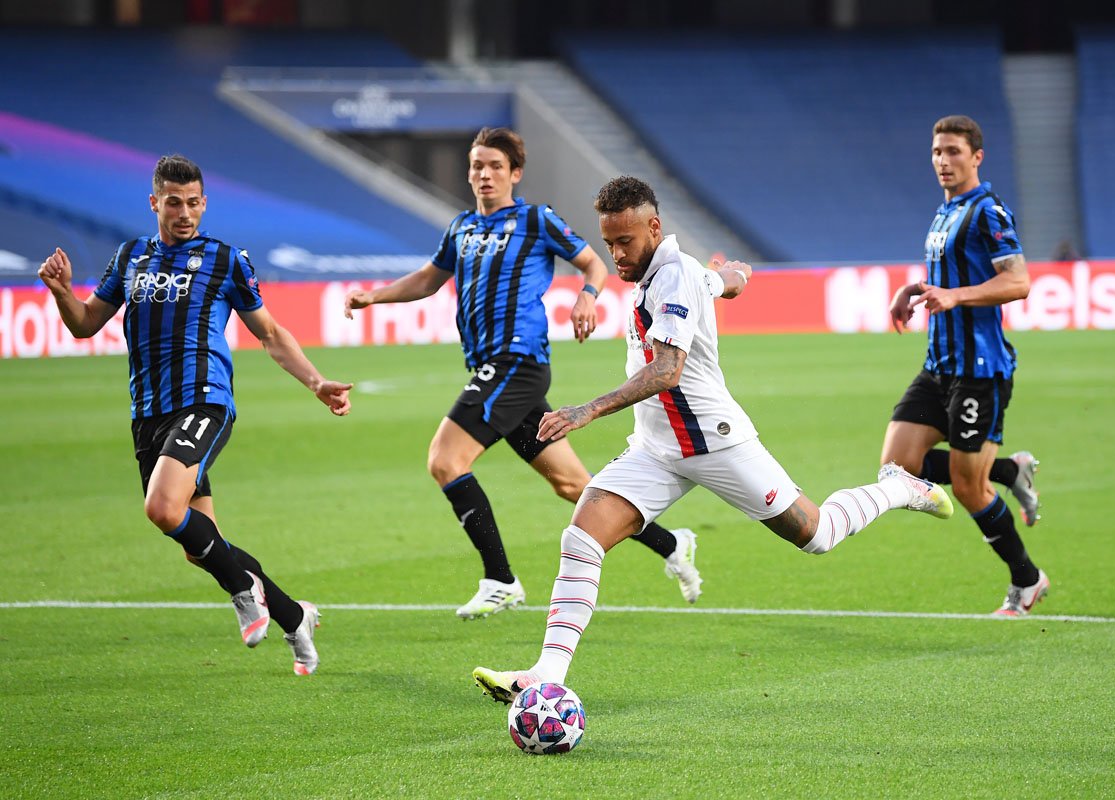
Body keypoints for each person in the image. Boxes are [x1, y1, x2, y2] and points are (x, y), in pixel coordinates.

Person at [471, 176, 954, 702]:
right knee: (581, 538)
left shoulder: (674, 277)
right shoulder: (677, 273)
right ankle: (547, 675)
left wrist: (586, 410)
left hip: (714, 442)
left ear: (654, 227)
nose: (615, 255)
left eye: (625, 241)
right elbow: (730, 280)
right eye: (608, 243)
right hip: (657, 450)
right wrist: (731, 275)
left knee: (817, 534)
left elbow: (667, 371)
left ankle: (902, 487)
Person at [343, 128, 703, 620]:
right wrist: (374, 295)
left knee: (446, 460)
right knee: (573, 485)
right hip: (493, 369)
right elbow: (429, 278)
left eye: (494, 166)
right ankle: (671, 544)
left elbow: (593, 264)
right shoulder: (462, 228)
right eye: (476, 166)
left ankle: (500, 579)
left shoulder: (535, 220)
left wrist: (586, 297)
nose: (484, 174)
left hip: (515, 364)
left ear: (514, 173)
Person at [37, 154, 352, 675]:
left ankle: (243, 589)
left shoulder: (225, 260)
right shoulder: (130, 256)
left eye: (193, 203)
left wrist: (316, 382)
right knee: (200, 544)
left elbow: (270, 333)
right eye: (174, 202)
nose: (185, 212)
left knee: (162, 508)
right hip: (148, 414)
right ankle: (295, 616)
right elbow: (86, 324)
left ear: (204, 203)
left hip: (204, 401)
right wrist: (62, 293)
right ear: (154, 202)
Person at [881, 115, 1049, 617]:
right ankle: (1008, 470)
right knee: (897, 468)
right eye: (936, 152)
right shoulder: (945, 212)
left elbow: (1018, 282)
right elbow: (950, 276)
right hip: (938, 365)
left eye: (953, 152)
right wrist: (913, 291)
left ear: (976, 157)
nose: (942, 161)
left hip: (980, 369)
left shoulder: (988, 211)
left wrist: (956, 296)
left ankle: (1027, 580)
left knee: (970, 488)